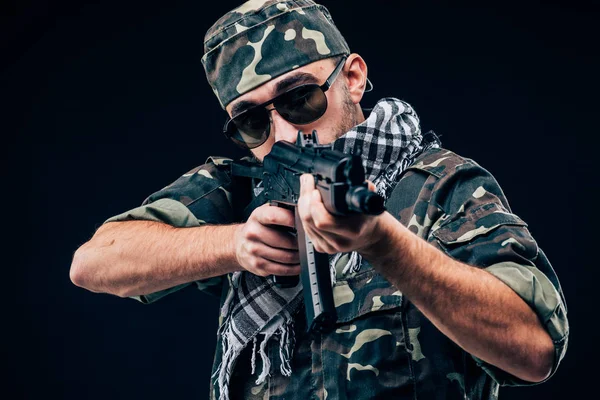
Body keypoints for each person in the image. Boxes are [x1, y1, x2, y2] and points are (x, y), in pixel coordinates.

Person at [69, 1, 569, 399]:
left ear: (352, 78)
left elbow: (534, 350)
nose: (283, 134)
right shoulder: (240, 187)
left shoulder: (439, 183)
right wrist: (235, 245)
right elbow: (92, 263)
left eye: (299, 98)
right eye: (251, 120)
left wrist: (386, 245)